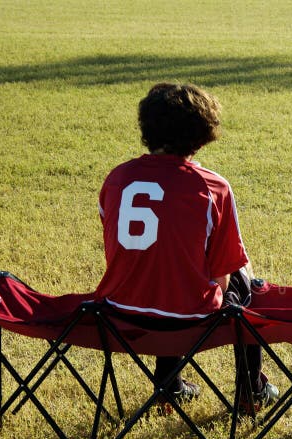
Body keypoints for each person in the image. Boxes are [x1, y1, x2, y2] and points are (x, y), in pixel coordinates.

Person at [94, 82, 278, 412]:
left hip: (118, 312)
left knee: (166, 267)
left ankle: (171, 386)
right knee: (240, 280)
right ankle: (251, 389)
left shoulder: (117, 178)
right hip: (189, 319)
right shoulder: (212, 187)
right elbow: (223, 273)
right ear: (202, 132)